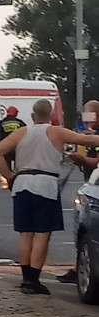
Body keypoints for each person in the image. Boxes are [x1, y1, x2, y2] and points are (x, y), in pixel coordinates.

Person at [0, 99, 99, 295]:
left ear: (33, 116)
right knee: (42, 233)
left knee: (25, 233)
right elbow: (88, 140)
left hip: (22, 183)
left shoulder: (21, 133)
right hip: (45, 185)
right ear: (50, 116)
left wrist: (9, 176)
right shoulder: (56, 131)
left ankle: (26, 279)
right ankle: (34, 279)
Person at [57, 100, 99, 285]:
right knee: (84, 230)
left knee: (88, 227)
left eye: (91, 116)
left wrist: (82, 159)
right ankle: (81, 265)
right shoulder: (93, 134)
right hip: (92, 184)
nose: (88, 121)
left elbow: (97, 161)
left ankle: (83, 265)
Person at [0, 106, 26, 172]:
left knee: (7, 163)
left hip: (6, 147)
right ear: (15, 113)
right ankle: (17, 175)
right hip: (16, 147)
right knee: (18, 163)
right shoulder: (19, 122)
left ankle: (9, 177)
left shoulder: (2, 123)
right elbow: (25, 133)